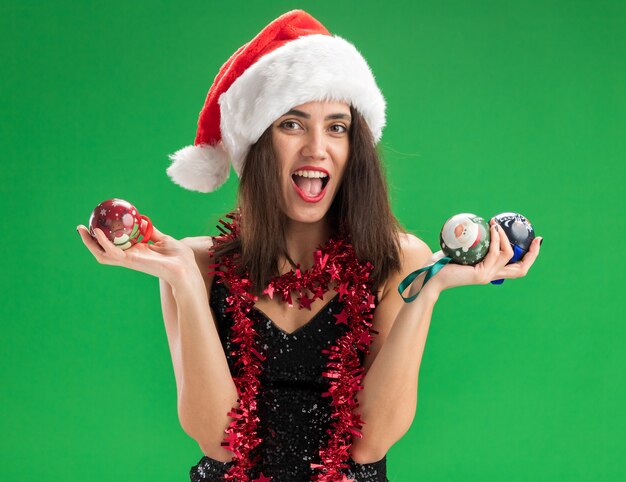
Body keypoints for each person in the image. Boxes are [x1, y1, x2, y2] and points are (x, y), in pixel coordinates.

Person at [76, 10, 542, 482]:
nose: (318, 148)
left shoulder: (401, 261)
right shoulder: (194, 263)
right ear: (257, 144)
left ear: (354, 146)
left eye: (337, 127)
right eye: (292, 125)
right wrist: (185, 284)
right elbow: (218, 442)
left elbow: (370, 443)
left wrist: (426, 293)